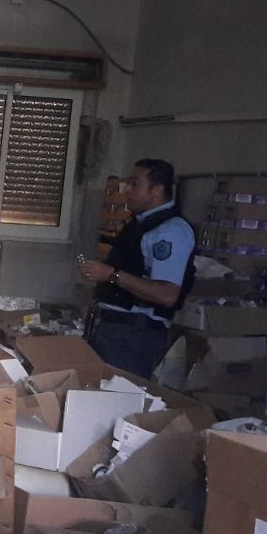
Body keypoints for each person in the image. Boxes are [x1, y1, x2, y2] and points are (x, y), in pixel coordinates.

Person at [78, 158, 196, 379]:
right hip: (112, 331)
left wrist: (111, 275)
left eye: (134, 184)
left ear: (157, 191)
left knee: (118, 395)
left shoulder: (170, 231)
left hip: (133, 336)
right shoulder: (139, 224)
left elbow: (167, 294)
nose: (127, 191)